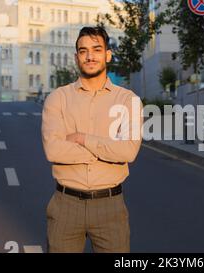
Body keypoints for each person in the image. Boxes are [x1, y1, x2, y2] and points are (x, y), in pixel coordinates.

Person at [41, 26, 143, 253]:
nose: (90, 56)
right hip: (65, 206)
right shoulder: (58, 98)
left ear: (107, 54)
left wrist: (82, 138)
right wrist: (107, 147)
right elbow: (54, 151)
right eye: (83, 50)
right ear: (76, 57)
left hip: (110, 207)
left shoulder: (128, 101)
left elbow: (128, 152)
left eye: (96, 49)